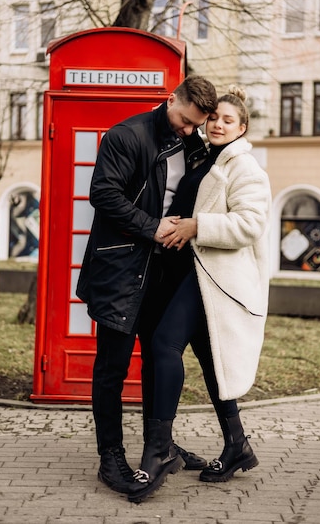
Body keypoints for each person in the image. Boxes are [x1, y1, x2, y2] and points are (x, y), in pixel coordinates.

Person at [127, 86, 272, 503]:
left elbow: (249, 224)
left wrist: (196, 226)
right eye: (214, 118)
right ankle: (237, 443)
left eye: (228, 119)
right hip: (188, 271)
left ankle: (157, 452)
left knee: (163, 344)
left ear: (242, 128)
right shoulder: (205, 155)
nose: (218, 124)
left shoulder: (246, 168)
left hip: (215, 275)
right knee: (212, 360)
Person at [76, 74, 218, 496]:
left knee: (158, 360)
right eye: (183, 120)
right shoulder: (127, 136)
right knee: (112, 369)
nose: (188, 130)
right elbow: (103, 194)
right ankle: (111, 457)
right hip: (121, 270)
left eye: (195, 124)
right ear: (169, 98)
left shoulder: (191, 145)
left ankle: (161, 446)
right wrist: (153, 227)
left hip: (163, 273)